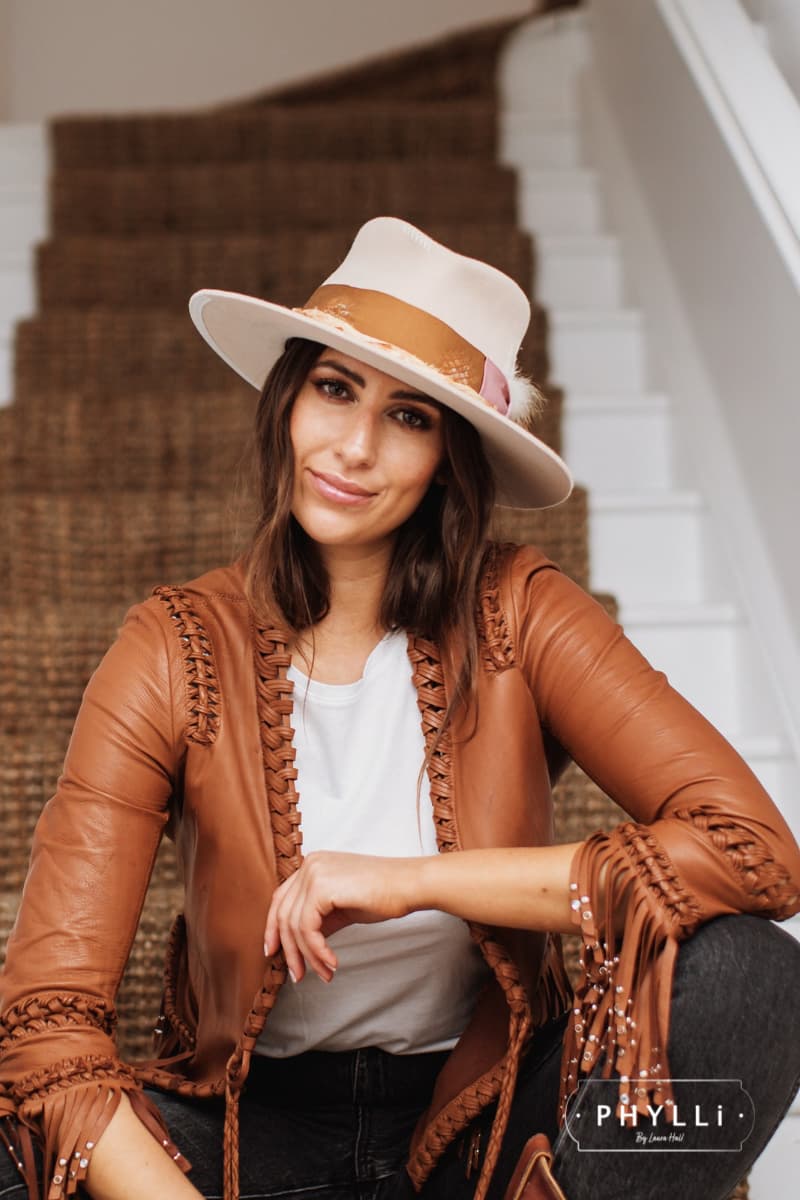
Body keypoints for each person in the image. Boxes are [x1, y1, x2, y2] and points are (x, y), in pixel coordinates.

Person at [1, 216, 799, 1200]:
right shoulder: (172, 646)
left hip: (483, 1122)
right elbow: (45, 1020)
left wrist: (416, 880)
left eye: (410, 417)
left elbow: (751, 852)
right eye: (334, 389)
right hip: (252, 1138)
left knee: (749, 978)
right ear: (289, 398)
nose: (354, 448)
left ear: (448, 458)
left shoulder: (520, 611)